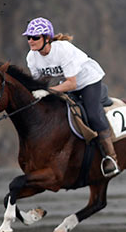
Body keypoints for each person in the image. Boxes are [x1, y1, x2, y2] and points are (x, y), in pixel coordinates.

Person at [22, 17, 120, 178]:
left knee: (93, 115)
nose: (31, 41)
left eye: (35, 37)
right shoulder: (32, 57)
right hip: (66, 83)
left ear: (47, 38)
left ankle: (111, 158)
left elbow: (72, 84)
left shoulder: (63, 49)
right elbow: (39, 84)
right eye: (28, 37)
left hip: (88, 81)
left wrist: (48, 91)